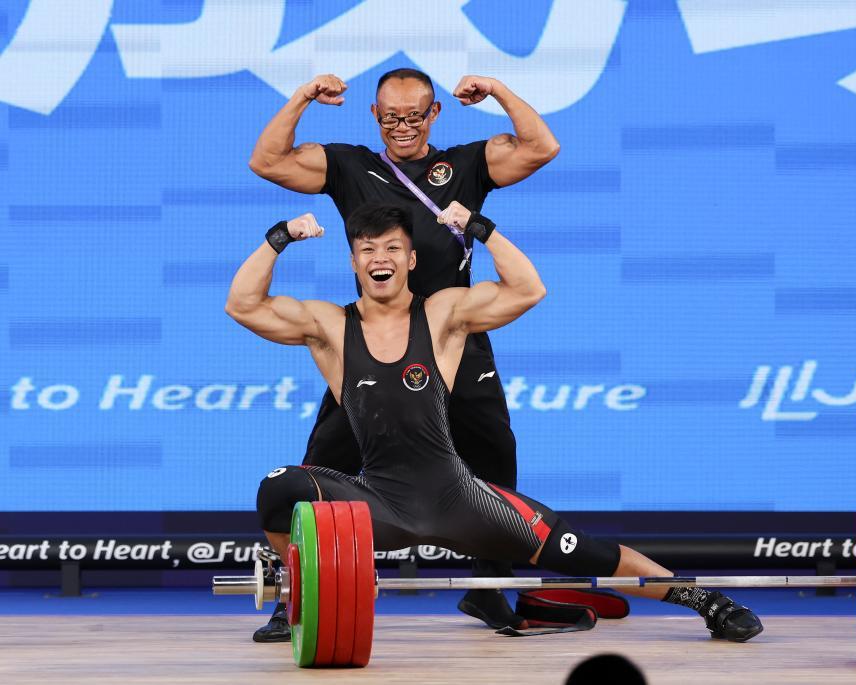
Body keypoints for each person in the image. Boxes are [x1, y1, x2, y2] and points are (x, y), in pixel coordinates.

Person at [225, 202, 764, 643]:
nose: (379, 259)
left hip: (461, 499)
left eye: (391, 248)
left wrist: (481, 229)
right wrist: (279, 237)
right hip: (378, 504)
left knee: (586, 553)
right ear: (353, 262)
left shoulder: (444, 314)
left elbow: (528, 289)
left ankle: (709, 603)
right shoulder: (328, 325)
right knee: (280, 486)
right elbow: (242, 305)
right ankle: (294, 591)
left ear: (411, 259)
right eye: (367, 250)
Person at [247, 67, 558, 640]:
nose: (403, 126)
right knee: (328, 457)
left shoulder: (466, 164)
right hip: (375, 339)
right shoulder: (349, 166)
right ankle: (294, 595)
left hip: (456, 330)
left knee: (495, 454)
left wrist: (497, 90)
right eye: (391, 116)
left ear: (435, 113)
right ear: (374, 115)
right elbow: (267, 161)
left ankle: (489, 587)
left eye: (415, 115)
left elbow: (542, 147)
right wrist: (303, 96)